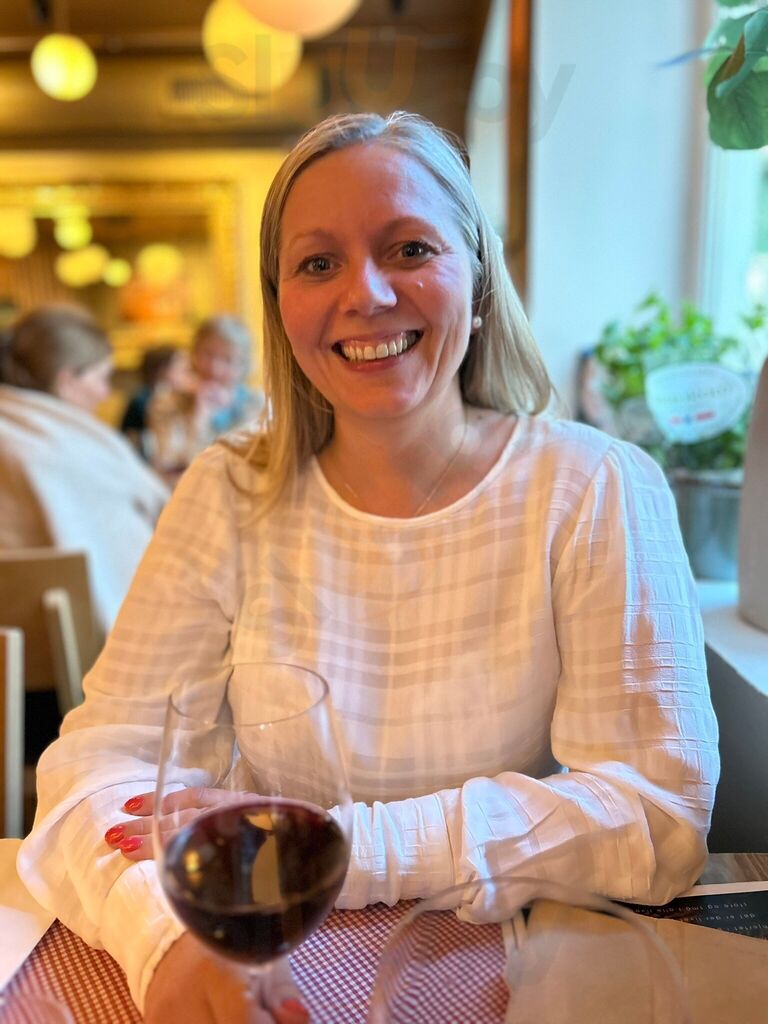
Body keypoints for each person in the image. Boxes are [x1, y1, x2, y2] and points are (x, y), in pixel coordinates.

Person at [18, 112, 719, 1024]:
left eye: (410, 249)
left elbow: (656, 812)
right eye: (318, 263)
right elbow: (97, 764)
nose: (367, 293)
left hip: (506, 975)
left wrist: (333, 850)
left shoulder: (594, 486)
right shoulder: (227, 491)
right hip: (271, 956)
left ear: (478, 281)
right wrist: (167, 943)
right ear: (282, 307)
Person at [0, 305, 168, 632]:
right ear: (67, 381)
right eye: (102, 378)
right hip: (89, 652)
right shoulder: (75, 452)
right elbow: (162, 521)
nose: (106, 393)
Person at [146, 314, 265, 476]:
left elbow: (256, 464)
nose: (215, 369)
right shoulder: (166, 403)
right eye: (208, 355)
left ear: (243, 366)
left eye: (228, 360)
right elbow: (171, 463)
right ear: (193, 354)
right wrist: (199, 416)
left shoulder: (257, 405)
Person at [119, 343, 188, 459]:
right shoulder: (143, 402)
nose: (187, 376)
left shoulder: (178, 399)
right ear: (163, 371)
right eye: (183, 370)